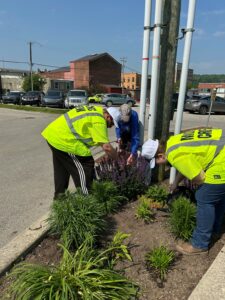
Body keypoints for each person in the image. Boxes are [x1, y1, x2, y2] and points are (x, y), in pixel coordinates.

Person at [142, 128, 225, 255]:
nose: (159, 165)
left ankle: (200, 244)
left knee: (204, 197)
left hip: (221, 158)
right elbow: (187, 161)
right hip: (221, 144)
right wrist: (175, 183)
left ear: (160, 156)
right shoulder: (173, 142)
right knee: (216, 194)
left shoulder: (173, 155)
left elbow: (200, 177)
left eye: (157, 162)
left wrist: (197, 187)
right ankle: (215, 229)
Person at [41, 105, 117, 199]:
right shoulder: (99, 121)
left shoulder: (96, 110)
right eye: (112, 123)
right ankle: (87, 199)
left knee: (62, 170)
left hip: (53, 135)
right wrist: (119, 160)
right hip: (65, 139)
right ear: (108, 117)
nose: (112, 126)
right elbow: (107, 147)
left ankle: (59, 199)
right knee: (85, 164)